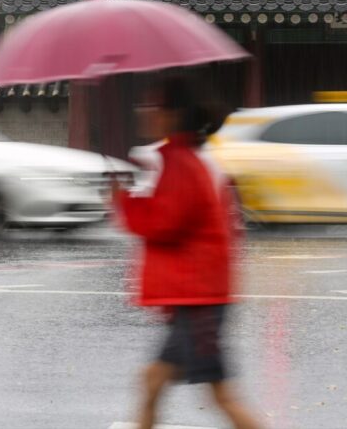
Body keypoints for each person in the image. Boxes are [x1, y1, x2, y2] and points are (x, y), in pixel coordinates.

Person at [113, 76, 261, 429]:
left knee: (220, 395)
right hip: (195, 297)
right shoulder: (185, 158)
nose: (145, 113)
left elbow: (164, 224)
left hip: (199, 300)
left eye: (154, 107)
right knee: (152, 382)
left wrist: (122, 201)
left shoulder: (181, 163)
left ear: (174, 115)